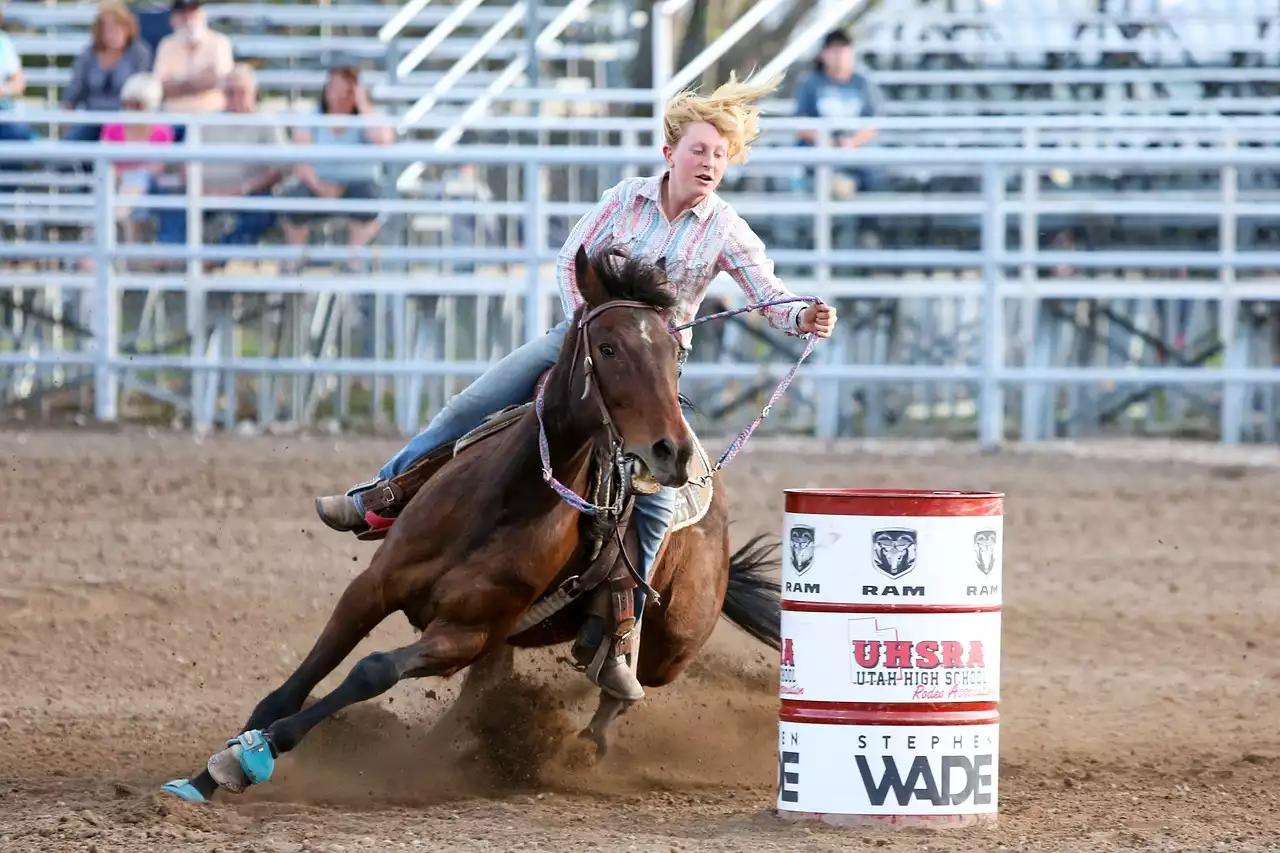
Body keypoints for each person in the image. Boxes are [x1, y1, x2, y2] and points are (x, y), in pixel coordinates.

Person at [314, 71, 838, 700]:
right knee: (473, 405)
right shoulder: (624, 198)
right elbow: (572, 256)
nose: (710, 163)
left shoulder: (726, 230)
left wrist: (800, 317)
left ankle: (624, 629)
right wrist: (586, 329)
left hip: (647, 374)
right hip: (580, 343)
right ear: (670, 153)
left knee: (661, 493)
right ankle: (383, 492)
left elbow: (768, 294)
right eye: (700, 150)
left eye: (720, 155)